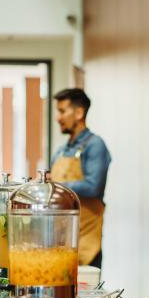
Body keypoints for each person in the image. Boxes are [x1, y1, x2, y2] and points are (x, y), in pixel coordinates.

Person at [51, 88, 111, 267]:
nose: (58, 118)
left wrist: (58, 186)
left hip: (86, 245)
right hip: (60, 244)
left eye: (62, 111)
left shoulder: (95, 145)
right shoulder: (61, 150)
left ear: (79, 113)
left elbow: (94, 186)